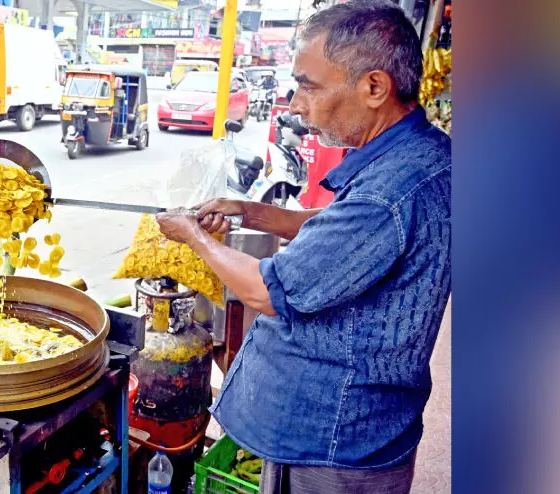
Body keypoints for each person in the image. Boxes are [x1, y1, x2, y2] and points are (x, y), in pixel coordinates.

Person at [156, 1, 450, 493]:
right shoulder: (422, 153)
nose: (295, 104)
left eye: (309, 85)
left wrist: (194, 235)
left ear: (374, 87)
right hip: (361, 426)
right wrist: (250, 212)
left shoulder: (389, 192)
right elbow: (342, 233)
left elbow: (266, 291)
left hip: (335, 440)